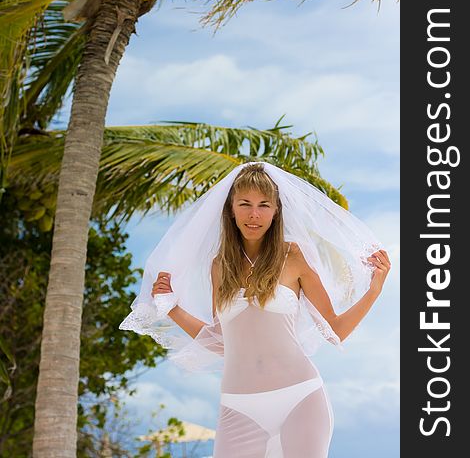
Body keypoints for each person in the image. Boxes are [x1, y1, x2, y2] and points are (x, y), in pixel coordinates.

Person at [120, 162, 391, 457]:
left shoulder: (294, 257)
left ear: (276, 211)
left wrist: (374, 290)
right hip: (238, 406)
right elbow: (222, 340)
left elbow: (335, 330)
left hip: (300, 398)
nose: (254, 214)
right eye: (245, 204)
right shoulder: (219, 266)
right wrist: (172, 308)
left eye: (264, 205)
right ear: (231, 210)